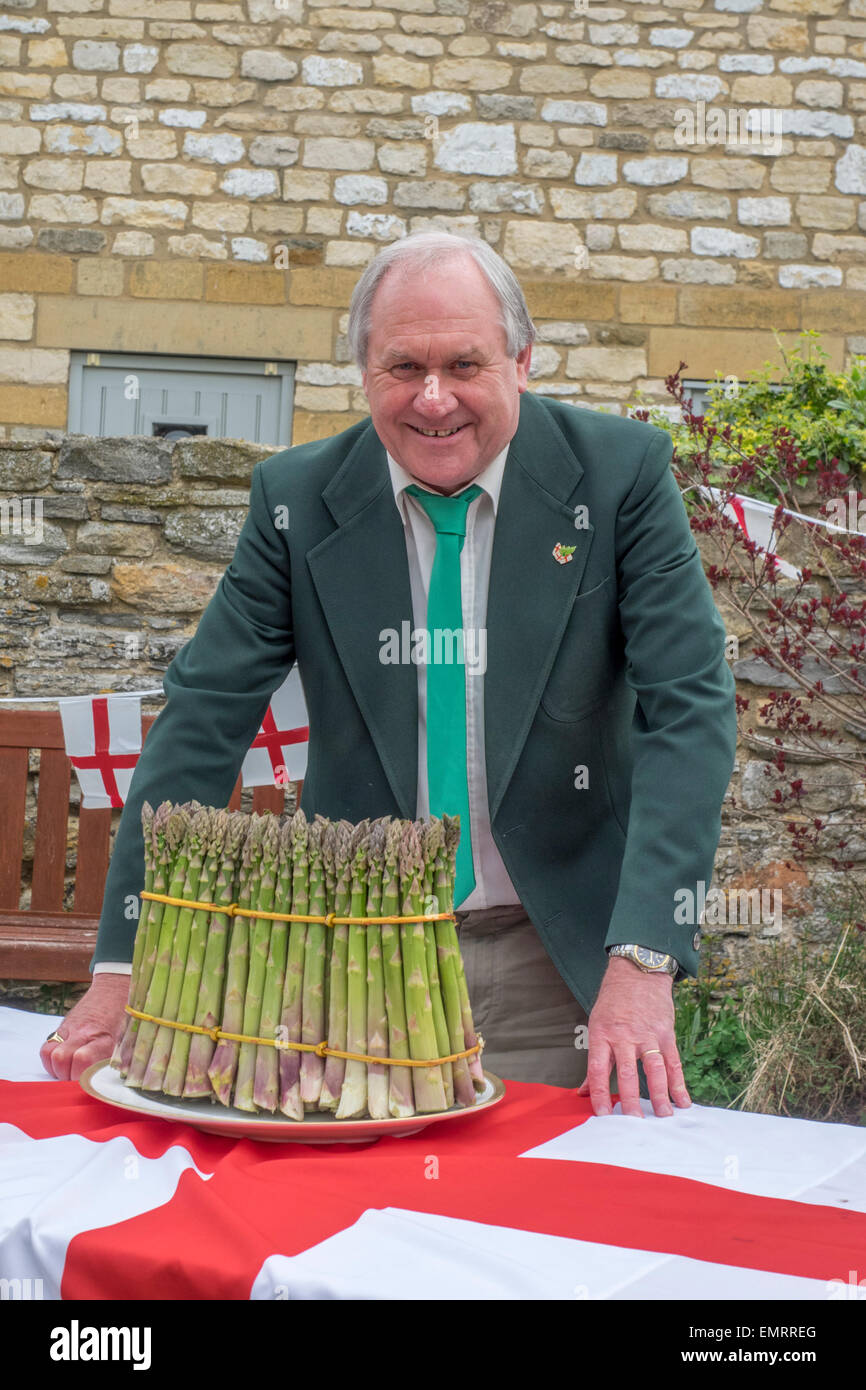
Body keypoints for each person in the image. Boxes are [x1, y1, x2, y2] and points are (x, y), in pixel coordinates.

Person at [41, 230, 737, 1118]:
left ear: (522, 361)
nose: (434, 399)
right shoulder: (294, 499)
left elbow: (691, 713)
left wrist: (642, 958)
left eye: (464, 364)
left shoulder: (620, 477)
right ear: (362, 371)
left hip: (559, 963)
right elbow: (202, 721)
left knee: (538, 1231)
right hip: (347, 960)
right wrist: (121, 963)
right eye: (403, 366)